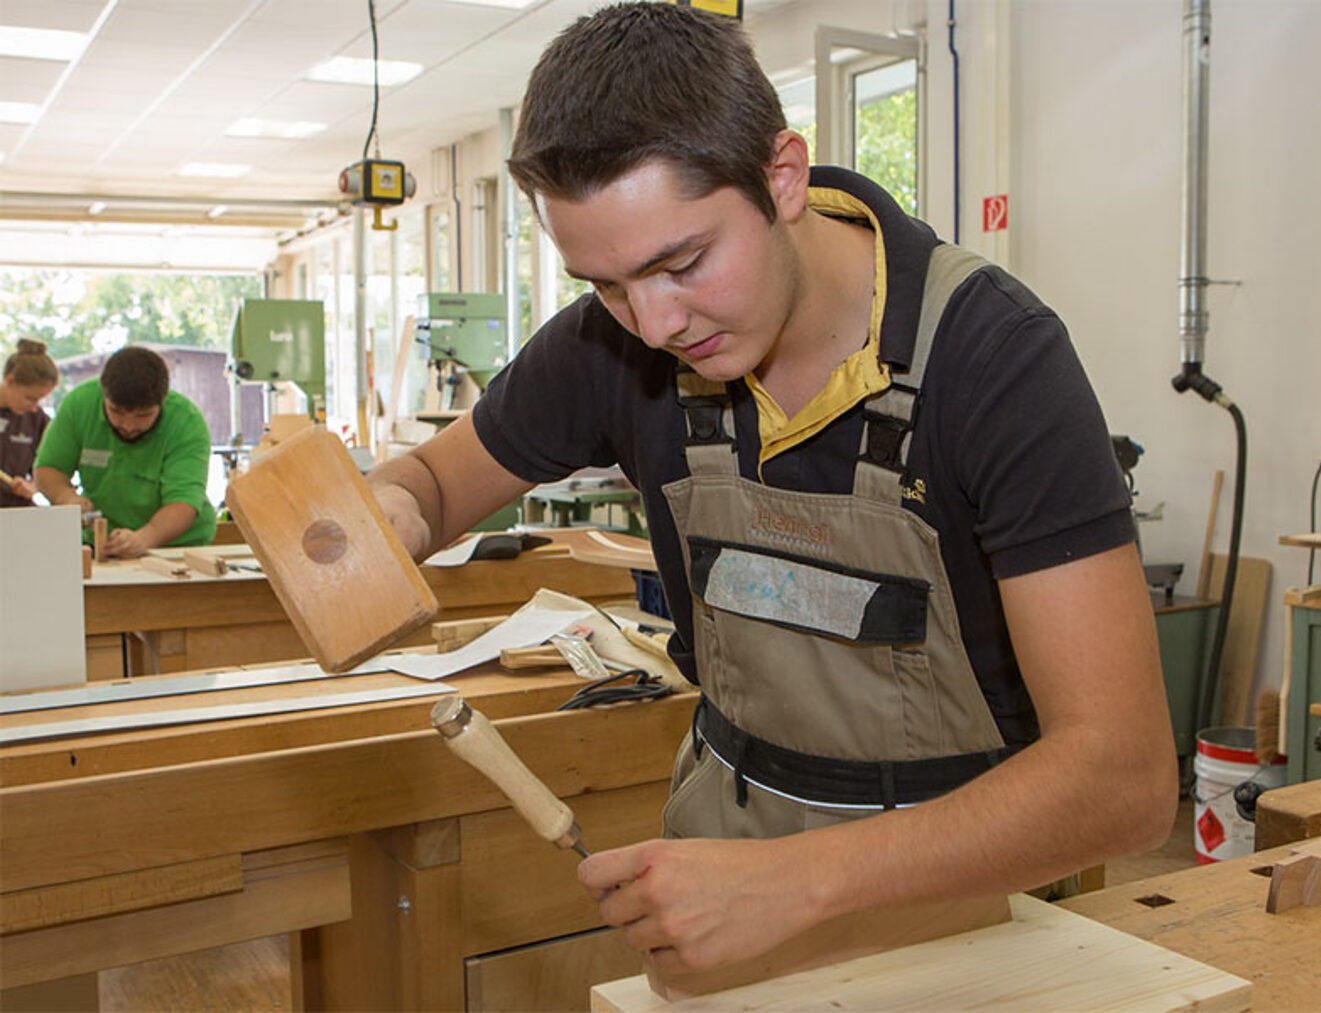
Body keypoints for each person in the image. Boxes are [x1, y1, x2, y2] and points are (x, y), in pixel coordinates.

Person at [368, 1, 1175, 977]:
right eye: (607, 284)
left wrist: (794, 880)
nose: (654, 322)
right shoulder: (612, 342)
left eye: (683, 263)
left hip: (960, 893)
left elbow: (1123, 777)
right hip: (723, 853)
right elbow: (428, 481)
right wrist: (384, 518)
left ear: (781, 177)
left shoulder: (992, 357)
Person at [35, 345, 216, 555]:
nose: (128, 426)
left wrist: (147, 537)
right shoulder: (79, 405)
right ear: (103, 393)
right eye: (116, 411)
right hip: (101, 543)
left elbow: (183, 503)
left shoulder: (186, 422)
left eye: (143, 415)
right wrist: (66, 497)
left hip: (175, 547)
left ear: (163, 399)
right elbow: (49, 469)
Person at [1, 339, 59, 507]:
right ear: (10, 380)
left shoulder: (38, 420)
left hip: (17, 512)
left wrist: (33, 486)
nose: (34, 408)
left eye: (39, 401)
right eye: (30, 398)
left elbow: (51, 467)